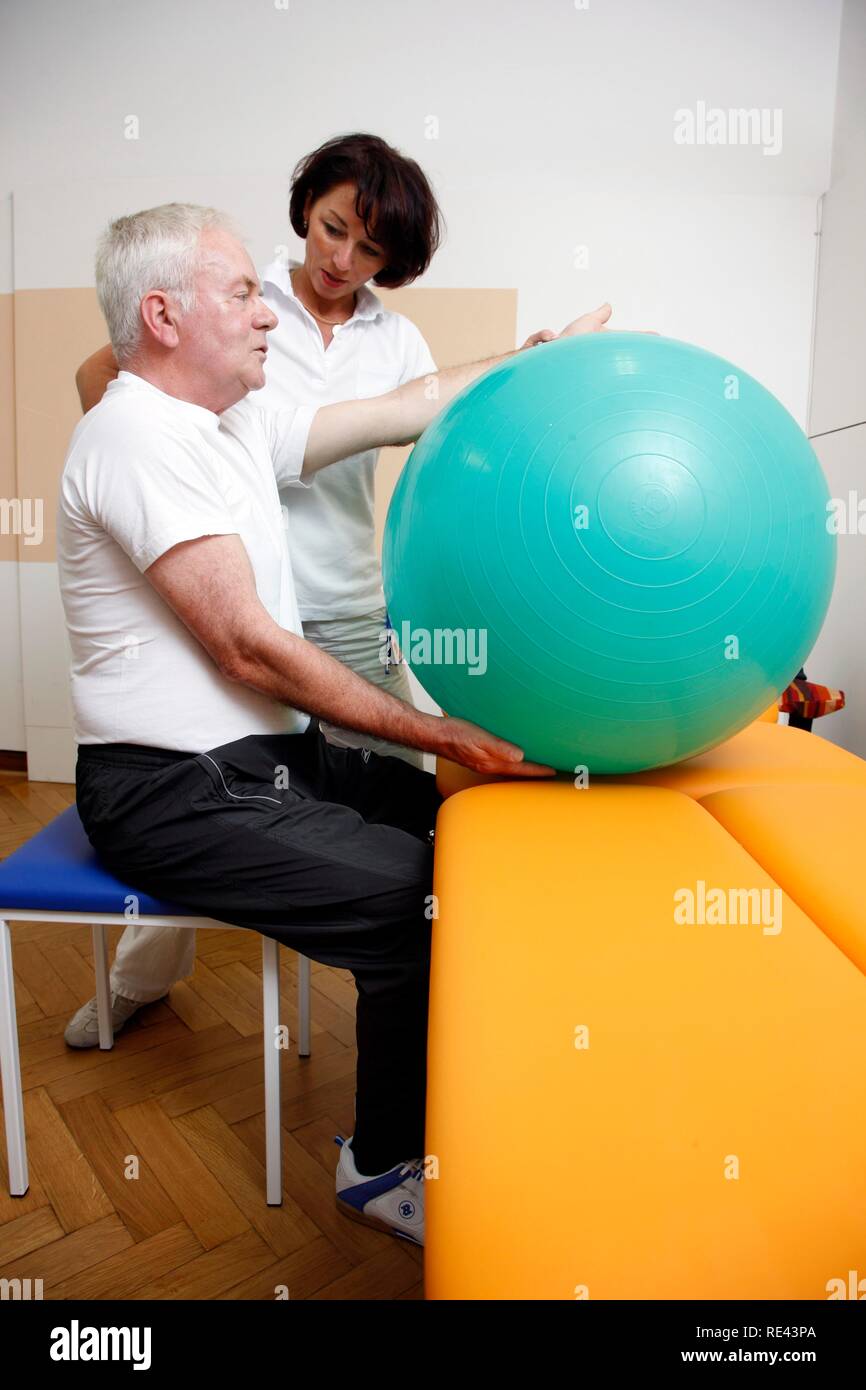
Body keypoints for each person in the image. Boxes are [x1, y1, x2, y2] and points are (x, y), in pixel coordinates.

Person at [59, 201, 610, 1243]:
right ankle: (377, 1162)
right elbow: (249, 649)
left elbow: (406, 403)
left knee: (466, 833)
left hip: (267, 759)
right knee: (413, 904)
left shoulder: (236, 423)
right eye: (240, 294)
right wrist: (439, 732)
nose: (267, 312)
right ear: (165, 316)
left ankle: (454, 1084)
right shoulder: (131, 432)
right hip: (169, 787)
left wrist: (526, 366)